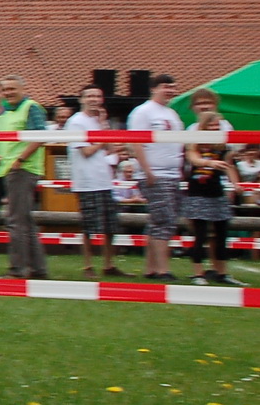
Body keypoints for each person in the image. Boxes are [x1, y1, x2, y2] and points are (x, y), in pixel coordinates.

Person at [127, 74, 183, 280]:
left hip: (172, 174)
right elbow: (136, 142)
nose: (170, 90)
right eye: (165, 86)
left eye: (172, 87)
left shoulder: (172, 114)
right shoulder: (143, 112)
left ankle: (150, 268)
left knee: (158, 221)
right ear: (153, 88)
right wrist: (147, 171)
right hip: (155, 174)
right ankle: (163, 270)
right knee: (164, 220)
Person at [65, 85, 123, 277]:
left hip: (105, 179)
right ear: (81, 99)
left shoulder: (100, 122)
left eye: (97, 96)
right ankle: (88, 265)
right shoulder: (76, 122)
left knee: (110, 227)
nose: (94, 99)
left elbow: (112, 149)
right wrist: (102, 138)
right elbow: (87, 151)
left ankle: (108, 264)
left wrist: (104, 127)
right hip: (87, 181)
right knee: (89, 227)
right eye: (89, 96)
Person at [182, 89, 238, 285]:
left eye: (217, 126)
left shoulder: (222, 146)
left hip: (217, 192)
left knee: (222, 233)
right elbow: (193, 158)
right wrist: (209, 163)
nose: (215, 129)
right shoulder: (194, 142)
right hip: (198, 192)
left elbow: (229, 163)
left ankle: (222, 273)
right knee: (200, 234)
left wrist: (235, 184)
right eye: (211, 126)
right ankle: (198, 273)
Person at [0, 75, 49, 279]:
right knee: (25, 221)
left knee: (16, 221)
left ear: (22, 89)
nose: (8, 93)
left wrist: (20, 159)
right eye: (5, 90)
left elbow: (41, 135)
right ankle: (38, 268)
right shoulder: (11, 112)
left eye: (12, 89)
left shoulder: (30, 107)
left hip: (22, 170)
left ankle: (18, 269)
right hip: (15, 169)